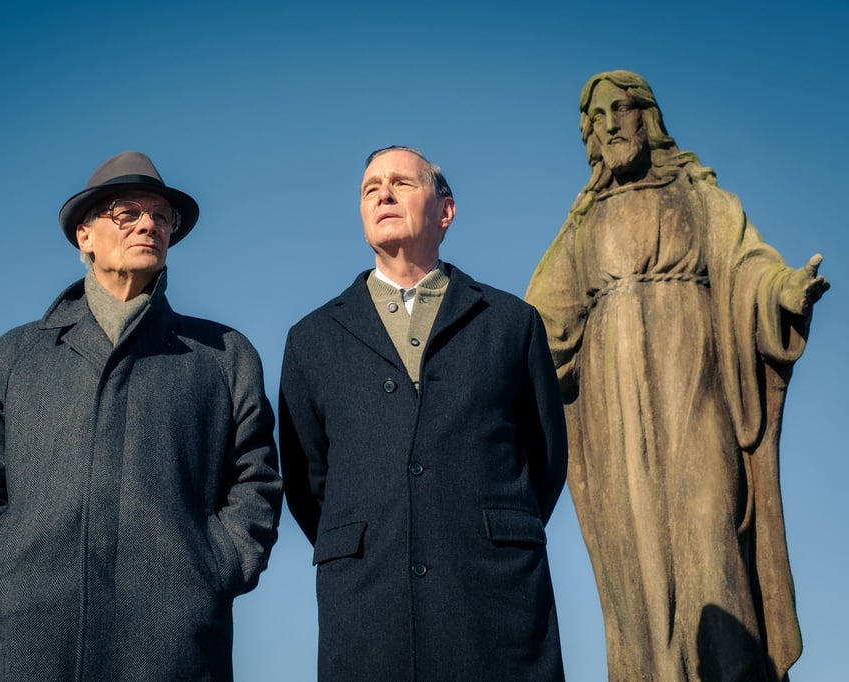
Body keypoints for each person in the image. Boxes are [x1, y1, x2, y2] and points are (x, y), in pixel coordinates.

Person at [526, 71, 829, 681]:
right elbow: (536, 322)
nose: (611, 123)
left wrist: (784, 290)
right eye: (598, 118)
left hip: (697, 393)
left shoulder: (697, 196)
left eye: (623, 108)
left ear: (649, 117)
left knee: (713, 536)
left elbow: (750, 266)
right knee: (637, 566)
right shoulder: (583, 224)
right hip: (619, 421)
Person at [0, 151, 282, 680]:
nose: (149, 224)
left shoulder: (224, 355)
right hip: (26, 638)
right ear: (85, 236)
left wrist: (217, 565)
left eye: (161, 217)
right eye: (127, 213)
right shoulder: (15, 356)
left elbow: (255, 480)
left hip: (174, 640)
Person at [280, 146, 568, 681]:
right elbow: (307, 479)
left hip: (493, 602)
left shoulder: (512, 322)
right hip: (367, 606)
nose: (383, 194)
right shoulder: (310, 339)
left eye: (401, 184)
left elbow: (544, 459)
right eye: (371, 189)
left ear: (445, 210)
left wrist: (478, 529)